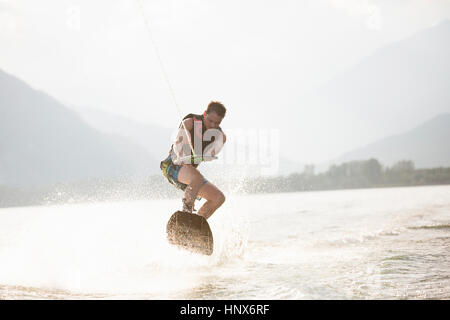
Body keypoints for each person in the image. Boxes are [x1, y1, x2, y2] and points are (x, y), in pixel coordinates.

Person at [160, 101, 227, 220]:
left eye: (217, 123)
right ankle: (186, 215)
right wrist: (184, 152)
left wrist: (209, 153)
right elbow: (177, 145)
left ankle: (195, 224)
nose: (212, 125)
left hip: (190, 175)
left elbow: (211, 154)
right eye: (210, 120)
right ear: (205, 113)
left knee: (218, 198)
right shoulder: (189, 123)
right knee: (197, 178)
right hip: (172, 166)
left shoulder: (220, 136)